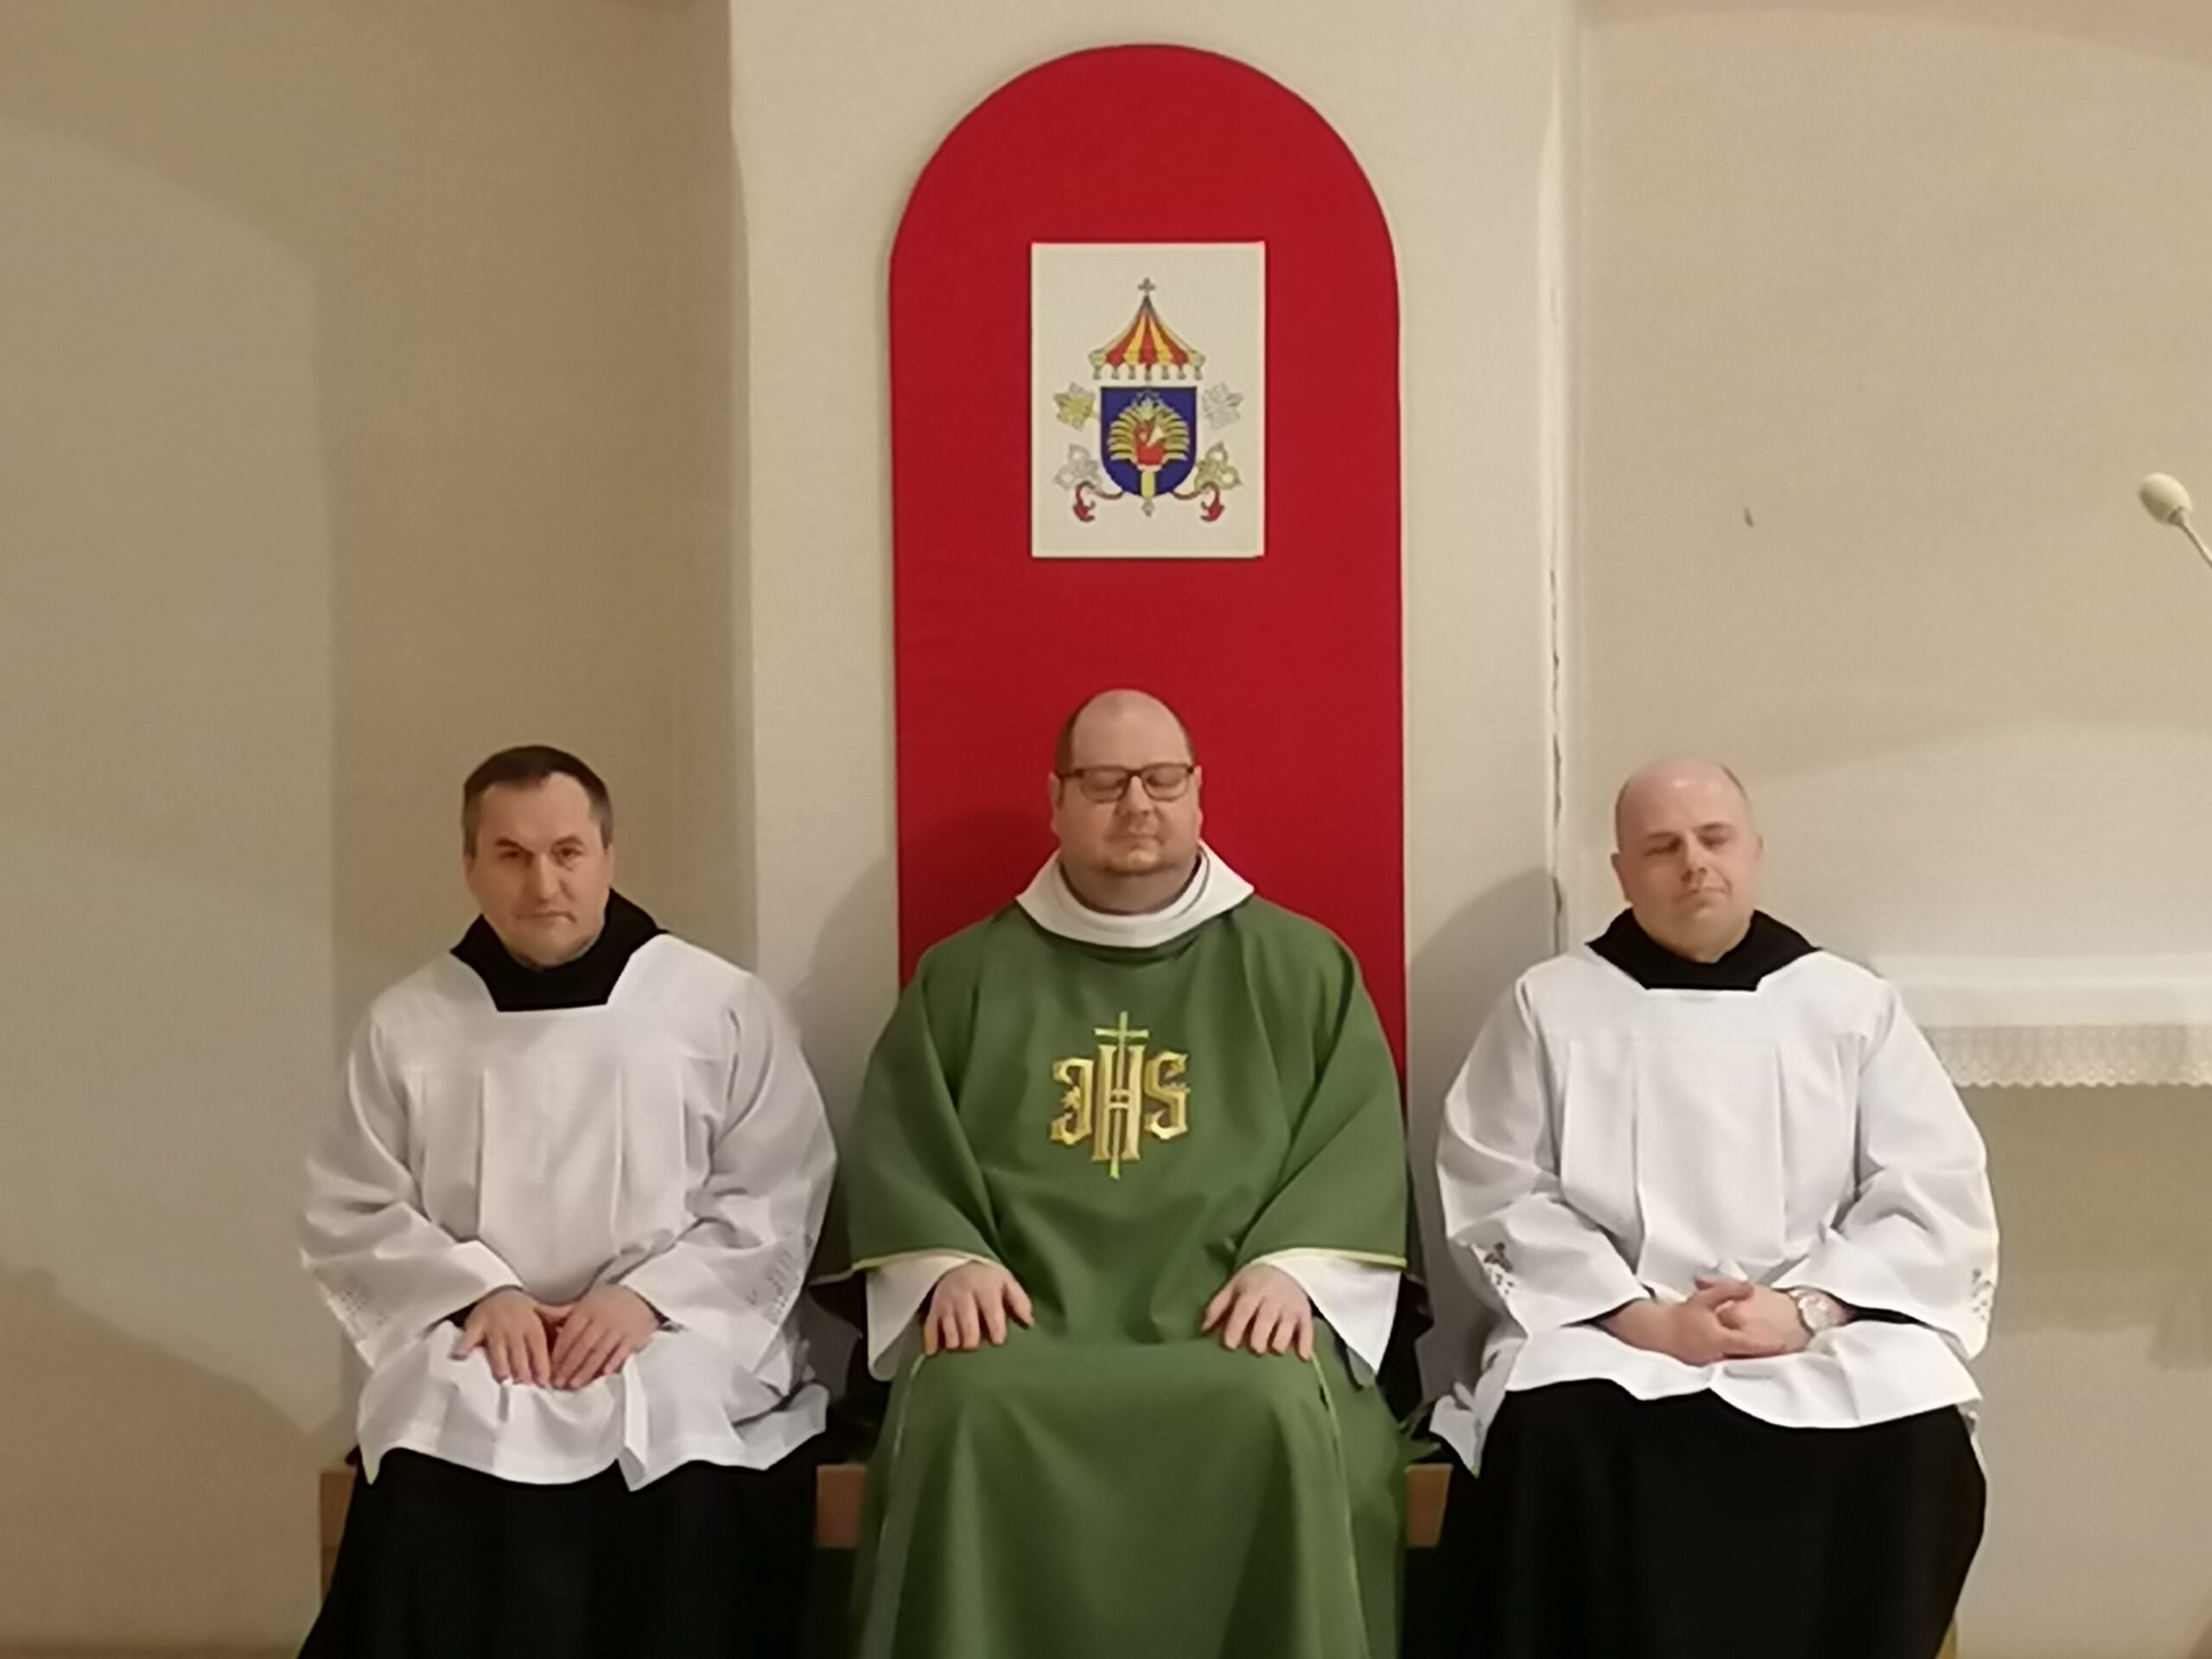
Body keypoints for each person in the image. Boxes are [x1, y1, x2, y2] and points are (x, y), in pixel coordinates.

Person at [842, 689, 1408, 1659]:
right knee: (964, 1405)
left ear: (1199, 793)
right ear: (1057, 800)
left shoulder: (1302, 967)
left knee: (1274, 1406)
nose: (1137, 805)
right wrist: (948, 1262)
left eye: (1162, 780)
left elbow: (1354, 1143)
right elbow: (904, 1144)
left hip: (1228, 1318)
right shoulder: (965, 975)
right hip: (1028, 1322)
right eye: (1105, 783)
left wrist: (1294, 1268)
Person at [1431, 756, 1997, 1659]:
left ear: (1754, 851)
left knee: (1916, 1437)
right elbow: (1499, 1187)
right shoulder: (1552, 1004)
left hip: (1812, 1325)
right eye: (1661, 847)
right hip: (1614, 1333)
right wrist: (1643, 1319)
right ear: (1621, 872)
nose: (1694, 864)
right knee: (1548, 1435)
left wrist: (1806, 1308)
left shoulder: (1848, 1006)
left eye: (1714, 838)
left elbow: (1931, 1188)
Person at [300, 745, 835, 1659]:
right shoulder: (410, 1023)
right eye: (511, 855)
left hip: (671, 1330)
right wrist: (479, 1293)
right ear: (470, 865)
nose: (542, 883)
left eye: (567, 852)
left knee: (679, 1424)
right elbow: (355, 1205)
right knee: (437, 1418)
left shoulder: (714, 1005)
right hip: (481, 1335)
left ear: (608, 855)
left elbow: (776, 1185)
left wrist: (649, 1300)